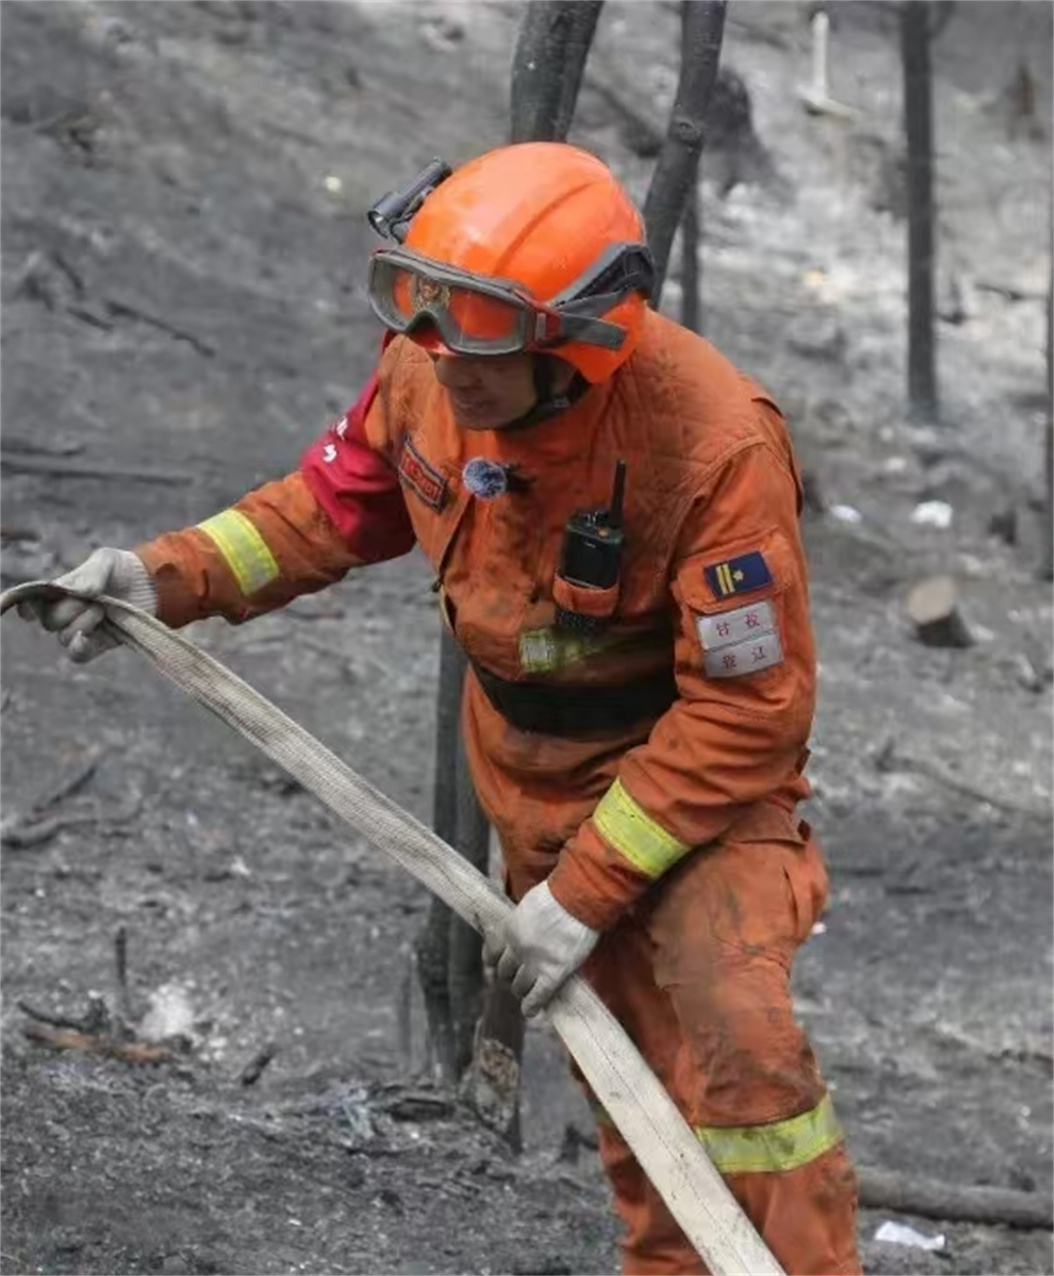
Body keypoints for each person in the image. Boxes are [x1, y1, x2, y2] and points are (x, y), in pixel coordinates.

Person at [20, 142, 862, 1275]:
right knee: (631, 1075)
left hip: (697, 791)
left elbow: (748, 712)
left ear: (576, 335)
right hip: (532, 783)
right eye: (421, 305)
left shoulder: (713, 444)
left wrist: (589, 885)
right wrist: (161, 578)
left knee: (738, 1042)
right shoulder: (432, 373)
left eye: (481, 326)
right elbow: (325, 509)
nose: (441, 350)